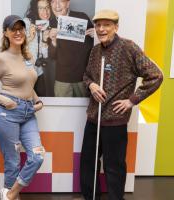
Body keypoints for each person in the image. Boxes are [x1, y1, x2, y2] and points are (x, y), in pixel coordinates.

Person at [80, 9, 163, 200]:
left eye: (107, 25)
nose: (101, 29)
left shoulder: (129, 47)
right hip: (93, 117)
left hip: (115, 121)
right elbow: (86, 76)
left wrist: (132, 100)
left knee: (114, 166)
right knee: (88, 163)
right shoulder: (95, 51)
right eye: (98, 25)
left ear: (116, 27)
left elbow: (156, 75)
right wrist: (92, 85)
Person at [0, 15, 45, 200]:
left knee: (37, 156)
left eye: (20, 28)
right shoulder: (1, 59)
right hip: (6, 114)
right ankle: (11, 196)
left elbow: (28, 84)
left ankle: (9, 194)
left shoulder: (28, 57)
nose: (18, 32)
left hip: (28, 112)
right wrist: (5, 101)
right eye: (13, 29)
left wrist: (37, 100)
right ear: (6, 33)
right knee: (13, 161)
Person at [48, 0, 94, 97]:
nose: (57, 5)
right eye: (53, 2)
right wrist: (53, 41)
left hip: (83, 78)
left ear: (68, 3)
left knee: (83, 110)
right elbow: (52, 56)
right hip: (62, 79)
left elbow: (94, 49)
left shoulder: (82, 17)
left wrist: (95, 35)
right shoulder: (50, 23)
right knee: (62, 111)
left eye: (61, 1)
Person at [24, 0, 56, 96]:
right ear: (35, 9)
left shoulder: (50, 26)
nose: (45, 12)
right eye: (41, 8)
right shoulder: (26, 22)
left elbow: (45, 55)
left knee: (42, 100)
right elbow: (15, 47)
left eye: (47, 7)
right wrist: (30, 37)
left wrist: (45, 41)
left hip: (40, 71)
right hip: (25, 71)